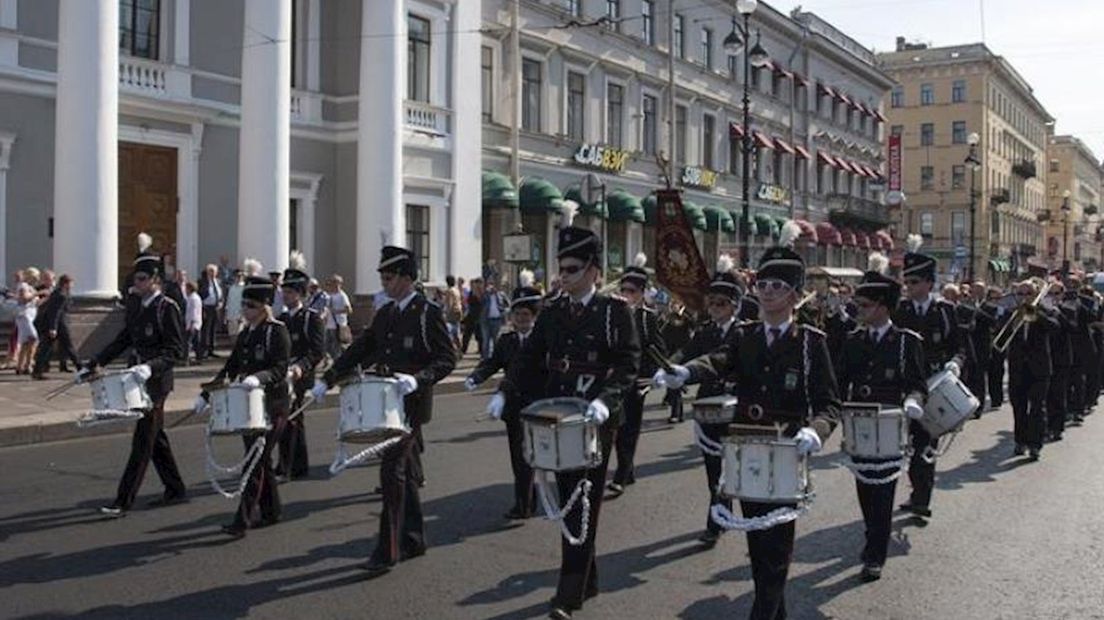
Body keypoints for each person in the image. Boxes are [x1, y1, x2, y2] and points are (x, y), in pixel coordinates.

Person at [657, 224, 840, 620]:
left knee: (777, 547)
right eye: (762, 284)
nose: (768, 291)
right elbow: (718, 360)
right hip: (745, 450)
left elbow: (829, 404)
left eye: (777, 286)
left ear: (794, 295)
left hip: (787, 452)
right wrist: (685, 373)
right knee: (759, 545)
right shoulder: (746, 336)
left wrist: (816, 431)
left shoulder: (811, 342)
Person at [492, 226, 639, 620]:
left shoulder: (614, 311)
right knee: (569, 494)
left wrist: (607, 401)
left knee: (581, 501)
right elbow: (529, 358)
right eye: (562, 268)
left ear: (593, 270)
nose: (564, 275)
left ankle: (567, 593)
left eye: (573, 268)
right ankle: (587, 579)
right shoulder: (553, 311)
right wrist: (505, 390)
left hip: (595, 419)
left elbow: (628, 364)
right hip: (558, 416)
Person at [311, 246, 456, 577]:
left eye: (389, 278)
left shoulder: (427, 312)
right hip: (386, 405)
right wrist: (329, 378)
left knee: (392, 474)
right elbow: (363, 348)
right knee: (402, 473)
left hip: (411, 406)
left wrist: (418, 379)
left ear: (407, 278)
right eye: (383, 278)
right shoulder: (387, 312)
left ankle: (386, 550)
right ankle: (414, 538)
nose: (385, 284)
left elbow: (448, 358)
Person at [833, 253, 927, 582]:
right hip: (859, 427)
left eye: (865, 305)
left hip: (891, 427)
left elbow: (918, 385)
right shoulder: (853, 340)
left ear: (884, 307)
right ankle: (873, 537)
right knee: (865, 491)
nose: (859, 310)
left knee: (883, 495)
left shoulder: (905, 342)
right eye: (858, 304)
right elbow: (839, 382)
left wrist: (914, 402)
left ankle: (875, 553)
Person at [83, 254, 187, 517]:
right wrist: (96, 362)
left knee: (143, 441)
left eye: (141, 279)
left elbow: (177, 351)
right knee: (156, 438)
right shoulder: (138, 306)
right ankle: (175, 488)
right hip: (137, 380)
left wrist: (150, 366)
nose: (136, 283)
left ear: (155, 280)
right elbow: (123, 339)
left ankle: (122, 501)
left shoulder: (167, 307)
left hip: (157, 383)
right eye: (134, 279)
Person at [197, 275, 291, 538]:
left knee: (255, 462)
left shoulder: (276, 330)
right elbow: (230, 368)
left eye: (250, 305)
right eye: (244, 305)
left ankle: (243, 520)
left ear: (264, 306)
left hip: (273, 405)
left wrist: (257, 378)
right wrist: (206, 396)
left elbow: (280, 369)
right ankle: (272, 511)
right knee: (259, 459)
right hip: (249, 406)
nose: (245, 310)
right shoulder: (247, 333)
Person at [667, 254, 743, 548]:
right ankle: (720, 513)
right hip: (709, 403)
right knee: (713, 468)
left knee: (730, 466)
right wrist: (670, 367)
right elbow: (686, 352)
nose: (714, 309)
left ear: (734, 305)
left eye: (721, 304)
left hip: (735, 404)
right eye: (711, 303)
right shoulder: (706, 331)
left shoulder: (743, 332)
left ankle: (719, 517)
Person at [892, 234, 966, 520]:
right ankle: (916, 491)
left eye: (914, 282)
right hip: (905, 386)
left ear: (929, 283)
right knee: (907, 444)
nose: (908, 287)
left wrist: (954, 363)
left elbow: (959, 346)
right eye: (907, 282)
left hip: (934, 384)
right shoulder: (900, 310)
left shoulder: (944, 311)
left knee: (926, 443)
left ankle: (922, 498)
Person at [464, 269, 543, 520]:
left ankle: (534, 498)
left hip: (538, 405)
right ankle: (524, 503)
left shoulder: (544, 341)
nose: (520, 319)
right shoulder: (507, 340)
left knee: (536, 454)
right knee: (519, 457)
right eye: (517, 314)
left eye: (525, 314)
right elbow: (492, 363)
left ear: (534, 316)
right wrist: (475, 377)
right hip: (513, 405)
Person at [609, 253, 666, 496]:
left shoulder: (647, 318)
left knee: (629, 429)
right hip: (614, 381)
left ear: (642, 293)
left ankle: (621, 474)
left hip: (637, 381)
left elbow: (658, 349)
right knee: (613, 428)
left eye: (631, 290)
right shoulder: (611, 314)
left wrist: (650, 378)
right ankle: (627, 469)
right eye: (623, 289)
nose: (626, 294)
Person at [276, 253, 325, 480]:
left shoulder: (311, 318)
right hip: (282, 375)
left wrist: (300, 367)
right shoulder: (282, 320)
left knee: (290, 419)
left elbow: (317, 352)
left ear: (301, 294)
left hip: (300, 375)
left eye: (290, 292)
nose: (285, 295)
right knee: (291, 420)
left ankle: (286, 466)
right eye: (284, 291)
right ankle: (297, 465)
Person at [1006, 279, 1058, 461]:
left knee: (1037, 407)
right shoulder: (1012, 313)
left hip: (1039, 368)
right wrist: (1011, 322)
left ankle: (1035, 445)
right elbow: (998, 335)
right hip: (1018, 368)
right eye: (1020, 294)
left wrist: (1035, 313)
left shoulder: (1045, 311)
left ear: (1035, 295)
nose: (1024, 298)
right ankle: (1020, 442)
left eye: (1028, 294)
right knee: (1018, 408)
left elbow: (1055, 328)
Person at [32, 274, 78, 379]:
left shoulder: (59, 293)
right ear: (66, 284)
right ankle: (81, 368)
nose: (72, 285)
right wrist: (53, 328)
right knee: (68, 347)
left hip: (56, 325)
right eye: (71, 283)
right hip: (58, 325)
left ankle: (37, 371)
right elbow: (55, 312)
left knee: (47, 348)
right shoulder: (60, 295)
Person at [12, 269, 39, 375]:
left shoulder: (31, 288)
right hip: (24, 316)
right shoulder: (23, 286)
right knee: (34, 338)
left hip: (30, 316)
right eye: (35, 277)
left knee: (26, 342)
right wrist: (37, 293)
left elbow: (33, 303)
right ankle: (28, 364)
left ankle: (20, 366)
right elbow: (23, 299)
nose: (37, 279)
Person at [198, 263, 224, 360]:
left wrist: (221, 302)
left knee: (213, 328)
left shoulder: (218, 282)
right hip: (206, 307)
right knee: (206, 329)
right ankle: (204, 349)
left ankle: (211, 350)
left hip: (216, 308)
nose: (212, 273)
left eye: (214, 271)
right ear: (207, 272)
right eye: (210, 271)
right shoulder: (202, 282)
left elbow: (221, 294)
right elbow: (200, 295)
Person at [324, 274, 351, 361]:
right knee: (327, 346)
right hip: (329, 324)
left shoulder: (342, 295)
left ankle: (339, 362)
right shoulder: (330, 295)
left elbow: (349, 310)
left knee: (336, 347)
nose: (332, 284)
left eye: (334, 282)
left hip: (338, 324)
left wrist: (335, 311)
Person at [461, 278, 484, 355]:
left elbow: (482, 303)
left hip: (480, 316)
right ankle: (463, 349)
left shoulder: (483, 293)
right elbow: (469, 303)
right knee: (467, 334)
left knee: (479, 335)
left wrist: (478, 293)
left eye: (478, 284)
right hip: (471, 316)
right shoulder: (471, 292)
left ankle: (481, 350)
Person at [443, 275, 463, 349]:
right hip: (458, 311)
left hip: (452, 313)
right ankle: (459, 349)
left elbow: (449, 303)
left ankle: (451, 348)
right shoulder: (456, 290)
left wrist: (445, 314)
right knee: (456, 331)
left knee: (449, 332)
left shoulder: (450, 291)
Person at [184, 280, 203, 364]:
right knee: (196, 342)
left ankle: (186, 359)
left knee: (188, 342)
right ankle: (199, 357)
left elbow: (193, 312)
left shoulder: (193, 298)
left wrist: (191, 323)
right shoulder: (193, 297)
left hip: (193, 323)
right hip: (195, 323)